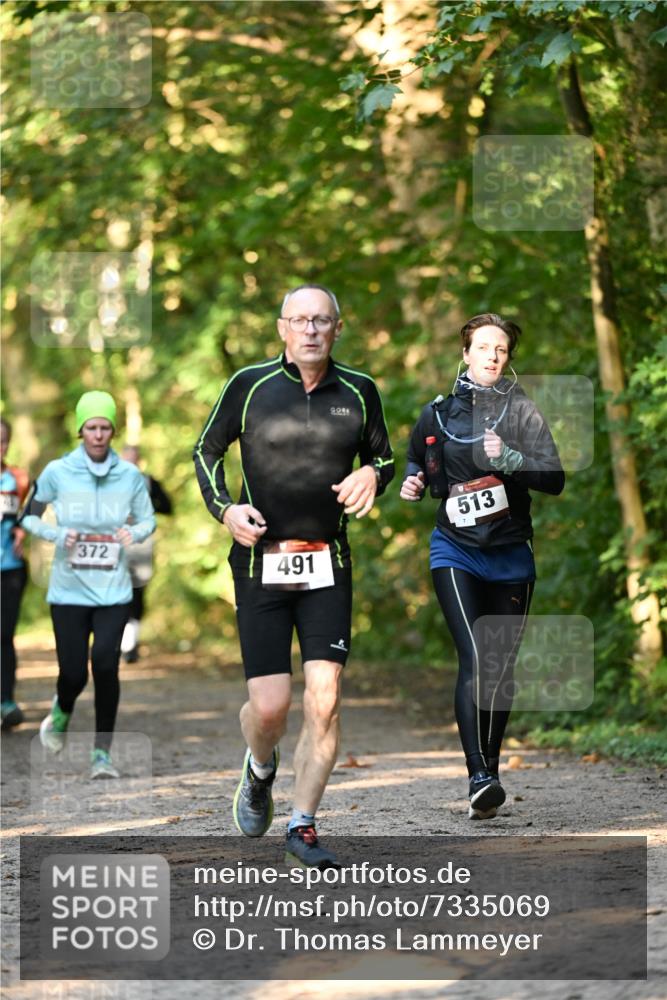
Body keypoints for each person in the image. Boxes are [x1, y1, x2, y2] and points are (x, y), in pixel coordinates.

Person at [194, 284, 394, 867]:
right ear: (282, 328)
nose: (310, 330)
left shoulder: (360, 391)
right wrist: (226, 509)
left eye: (322, 320)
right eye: (300, 320)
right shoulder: (248, 386)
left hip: (327, 561)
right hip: (261, 562)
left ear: (338, 328)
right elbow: (205, 452)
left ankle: (303, 824)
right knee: (271, 708)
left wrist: (373, 478)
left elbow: (382, 456)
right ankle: (260, 769)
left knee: (325, 700)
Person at [400, 313, 564, 819]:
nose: (494, 355)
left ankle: (488, 777)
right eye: (484, 347)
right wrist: (411, 482)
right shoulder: (438, 413)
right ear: (466, 353)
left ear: (508, 359)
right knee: (476, 653)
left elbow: (554, 478)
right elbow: (417, 461)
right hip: (455, 549)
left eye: (502, 350)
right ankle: (478, 773)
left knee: (500, 665)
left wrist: (511, 458)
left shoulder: (522, 411)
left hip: (511, 550)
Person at [20, 391, 155, 778]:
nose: (98, 434)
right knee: (75, 673)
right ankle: (61, 711)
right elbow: (28, 516)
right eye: (91, 427)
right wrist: (55, 534)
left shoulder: (130, 475)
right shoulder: (57, 472)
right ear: (80, 430)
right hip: (69, 590)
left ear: (113, 430)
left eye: (105, 427)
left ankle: (101, 754)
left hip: (114, 589)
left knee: (107, 665)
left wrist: (135, 532)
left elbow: (148, 521)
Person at [119, 445, 173, 663]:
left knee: (137, 596)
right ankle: (117, 642)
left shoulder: (149, 482)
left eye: (134, 460)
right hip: (113, 548)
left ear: (139, 461)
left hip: (141, 548)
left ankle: (130, 645)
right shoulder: (108, 481)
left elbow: (168, 507)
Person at [1, 418, 30, 730]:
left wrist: (23, 528)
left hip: (9, 567)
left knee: (4, 634)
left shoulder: (18, 478)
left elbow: (31, 510)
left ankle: (6, 701)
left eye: (3, 440)